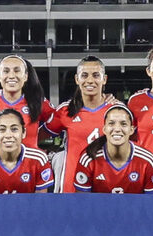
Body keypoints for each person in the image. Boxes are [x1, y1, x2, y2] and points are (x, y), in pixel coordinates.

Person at [43, 56, 125, 193]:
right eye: (85, 75)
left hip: (107, 184)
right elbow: (41, 136)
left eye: (96, 75)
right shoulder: (65, 110)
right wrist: (54, 156)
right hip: (72, 186)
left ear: (104, 79)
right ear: (77, 79)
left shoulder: (117, 111)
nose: (90, 80)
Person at [71, 104, 153, 194]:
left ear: (131, 130)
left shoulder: (147, 161)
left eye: (123, 124)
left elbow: (151, 204)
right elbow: (82, 203)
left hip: (136, 208)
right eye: (111, 123)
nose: (117, 129)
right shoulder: (89, 159)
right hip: (97, 208)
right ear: (104, 129)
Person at [0, 107, 55, 194]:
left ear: (23, 133)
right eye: (2, 129)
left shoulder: (39, 159)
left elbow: (40, 204)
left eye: (14, 129)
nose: (8, 135)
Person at [0, 55, 51, 152]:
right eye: (6, 71)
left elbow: (57, 122)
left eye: (17, 70)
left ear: (26, 76)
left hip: (28, 165)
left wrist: (37, 136)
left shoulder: (38, 101)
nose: (11, 76)